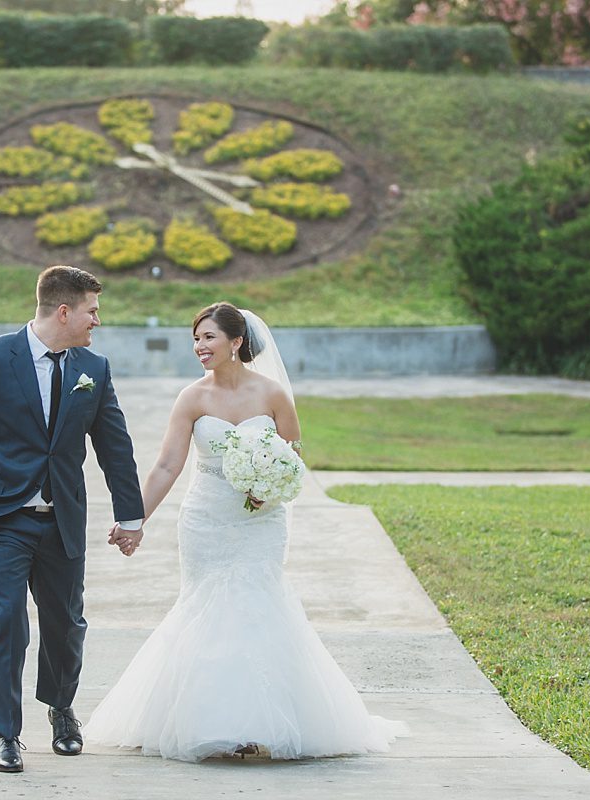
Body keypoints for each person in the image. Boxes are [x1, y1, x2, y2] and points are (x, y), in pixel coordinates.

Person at [87, 301, 406, 761]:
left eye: (209, 337)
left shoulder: (273, 395)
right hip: (205, 520)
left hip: (261, 521)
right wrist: (134, 519)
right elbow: (166, 466)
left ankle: (260, 724)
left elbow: (293, 460)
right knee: (206, 609)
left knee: (257, 606)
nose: (199, 346)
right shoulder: (192, 398)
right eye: (196, 339)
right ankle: (210, 721)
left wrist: (267, 489)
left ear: (237, 342)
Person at [0, 266, 145, 774]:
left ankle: (61, 707)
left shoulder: (93, 366)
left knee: (66, 624)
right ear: (64, 311)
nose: (98, 321)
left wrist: (130, 513)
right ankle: (5, 734)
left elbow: (114, 445)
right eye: (93, 311)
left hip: (62, 519)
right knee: (5, 622)